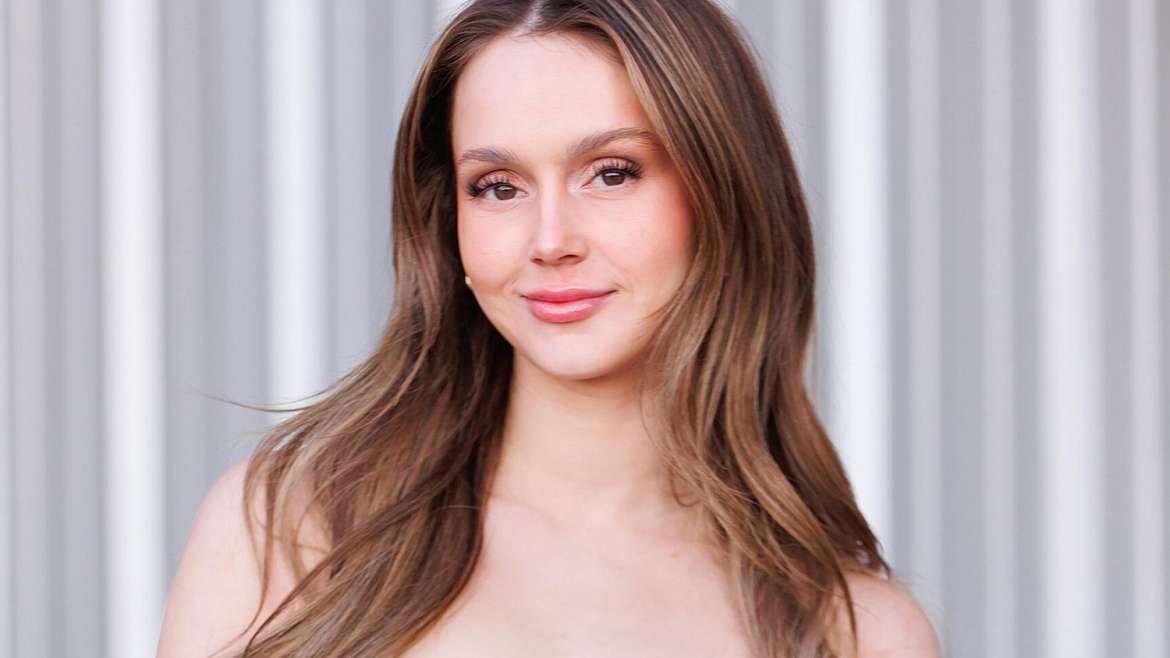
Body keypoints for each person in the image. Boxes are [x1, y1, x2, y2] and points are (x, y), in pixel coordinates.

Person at [157, 1, 941, 656]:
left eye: (612, 173)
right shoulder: (292, 530)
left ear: (723, 192)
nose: (550, 239)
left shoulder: (858, 634)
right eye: (498, 187)